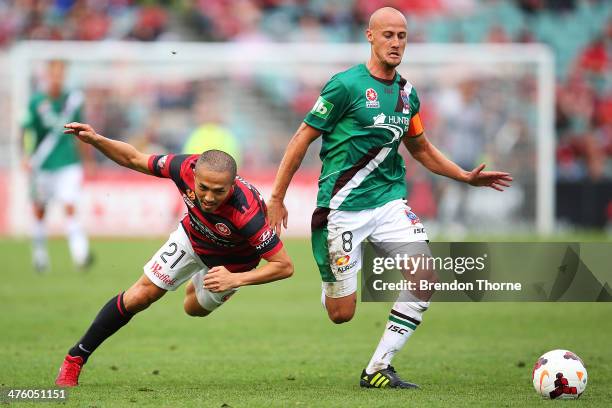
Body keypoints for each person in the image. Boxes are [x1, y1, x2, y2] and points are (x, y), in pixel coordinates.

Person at [267, 7, 512, 389]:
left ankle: (378, 367)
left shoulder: (407, 94)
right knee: (340, 313)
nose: (396, 43)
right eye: (388, 35)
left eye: (402, 36)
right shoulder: (344, 86)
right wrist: (277, 197)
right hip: (341, 210)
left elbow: (422, 149)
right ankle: (335, 280)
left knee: (425, 276)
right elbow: (302, 137)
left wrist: (464, 176)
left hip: (389, 203)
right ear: (370, 36)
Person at [55, 122, 293, 387]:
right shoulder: (183, 167)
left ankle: (197, 279)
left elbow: (284, 266)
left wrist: (235, 280)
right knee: (141, 295)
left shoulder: (247, 214)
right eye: (203, 188)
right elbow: (133, 157)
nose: (209, 197)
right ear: (194, 175)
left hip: (232, 265)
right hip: (193, 238)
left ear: (232, 185)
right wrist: (97, 139)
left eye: (219, 191)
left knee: (193, 309)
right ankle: (75, 358)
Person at [21, 60, 93, 272]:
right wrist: (26, 155)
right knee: (40, 210)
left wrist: (87, 160)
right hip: (42, 165)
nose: (57, 78)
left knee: (70, 205)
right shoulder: (36, 102)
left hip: (68, 163)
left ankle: (80, 255)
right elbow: (27, 130)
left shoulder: (73, 100)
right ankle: (40, 255)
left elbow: (82, 133)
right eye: (54, 74)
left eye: (61, 74)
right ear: (47, 75)